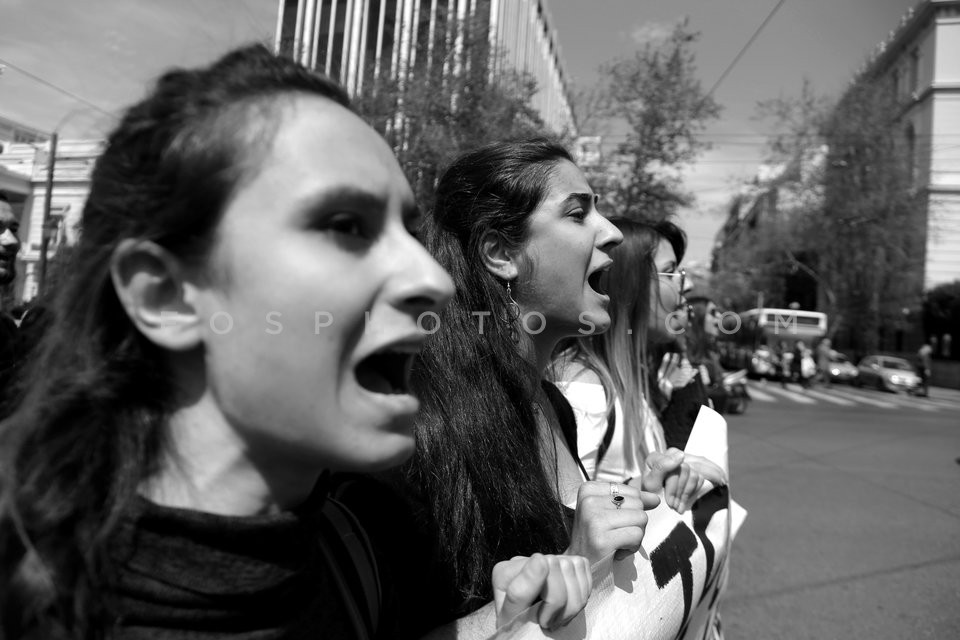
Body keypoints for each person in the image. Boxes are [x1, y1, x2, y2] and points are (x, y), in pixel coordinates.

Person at [0, 46, 588, 639]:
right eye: (345, 226)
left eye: (409, 233)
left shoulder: (353, 547)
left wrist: (510, 623)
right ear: (166, 296)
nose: (432, 281)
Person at [363, 138, 659, 636]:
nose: (610, 233)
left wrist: (643, 501)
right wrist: (563, 576)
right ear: (501, 253)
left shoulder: (555, 408)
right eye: (577, 213)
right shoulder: (422, 428)